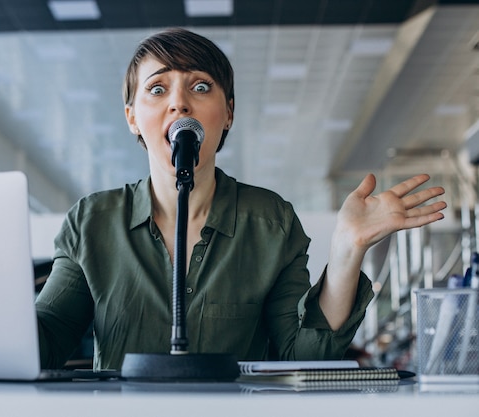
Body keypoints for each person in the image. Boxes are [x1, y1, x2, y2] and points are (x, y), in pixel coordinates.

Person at [35, 28, 446, 371]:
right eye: (157, 89)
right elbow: (45, 341)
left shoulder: (271, 221)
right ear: (131, 118)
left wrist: (346, 250)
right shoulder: (91, 221)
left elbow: (303, 356)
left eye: (200, 86)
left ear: (228, 112)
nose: (179, 102)